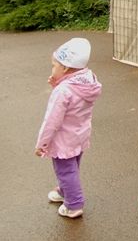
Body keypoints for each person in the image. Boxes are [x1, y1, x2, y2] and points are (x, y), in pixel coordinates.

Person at [35, 37, 102, 219]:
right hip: (79, 134)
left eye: (54, 66)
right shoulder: (87, 80)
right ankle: (65, 190)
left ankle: (74, 204)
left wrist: (42, 143)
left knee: (65, 170)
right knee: (72, 167)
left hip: (63, 139)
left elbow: (52, 121)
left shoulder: (63, 91)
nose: (52, 69)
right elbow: (75, 101)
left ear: (65, 68)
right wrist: (58, 82)